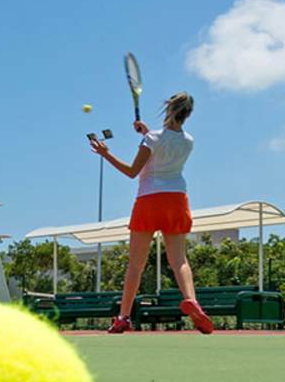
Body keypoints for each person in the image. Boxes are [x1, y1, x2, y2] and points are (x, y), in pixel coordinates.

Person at [89, 92, 214, 335]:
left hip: (149, 199)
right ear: (187, 114)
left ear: (168, 109)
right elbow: (165, 146)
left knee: (135, 265)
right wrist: (146, 133)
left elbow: (132, 171)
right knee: (179, 260)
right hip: (177, 199)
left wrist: (106, 154)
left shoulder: (152, 139)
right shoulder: (188, 141)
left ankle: (123, 318)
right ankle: (192, 301)